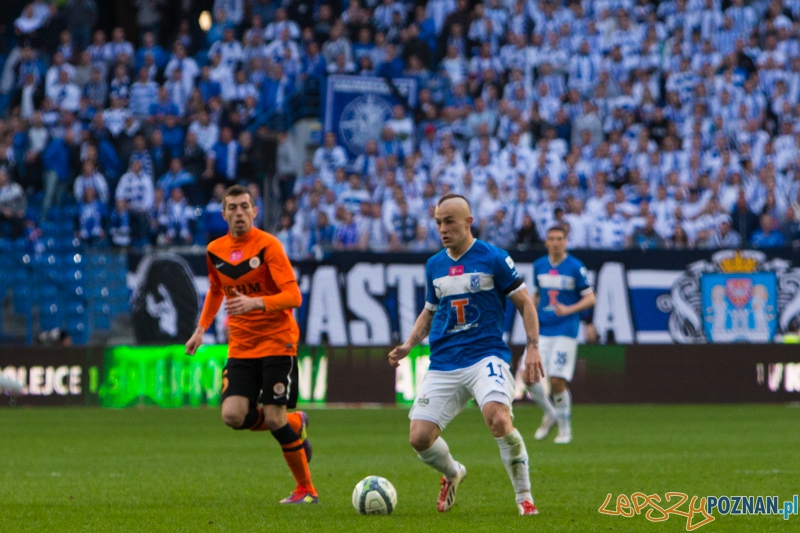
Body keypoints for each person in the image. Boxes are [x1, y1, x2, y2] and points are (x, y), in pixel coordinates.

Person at [388, 193, 544, 516]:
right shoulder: (434, 265)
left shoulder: (494, 258)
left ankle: (524, 498)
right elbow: (429, 312)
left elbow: (526, 303)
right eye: (438, 223)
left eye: (449, 221)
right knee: (419, 437)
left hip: (486, 355)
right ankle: (453, 472)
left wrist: (532, 348)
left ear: (468, 222)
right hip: (445, 361)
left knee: (499, 419)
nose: (442, 229)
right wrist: (409, 344)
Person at [184, 184, 316, 505]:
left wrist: (256, 303)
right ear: (224, 213)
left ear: (255, 211)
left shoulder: (268, 246)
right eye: (233, 207)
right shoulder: (215, 250)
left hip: (277, 342)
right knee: (232, 415)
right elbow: (216, 289)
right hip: (241, 345)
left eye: (245, 206)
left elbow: (294, 296)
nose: (239, 212)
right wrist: (201, 329)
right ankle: (295, 423)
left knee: (273, 418)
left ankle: (306, 490)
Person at [525, 226, 595, 444]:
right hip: (543, 329)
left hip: (565, 328)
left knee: (556, 379)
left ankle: (565, 429)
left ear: (566, 241)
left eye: (560, 239)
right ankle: (551, 413)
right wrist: (530, 311)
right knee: (529, 377)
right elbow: (538, 294)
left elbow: (590, 298)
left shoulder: (575, 266)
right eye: (552, 239)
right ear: (546, 241)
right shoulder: (539, 265)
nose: (555, 243)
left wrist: (569, 309)